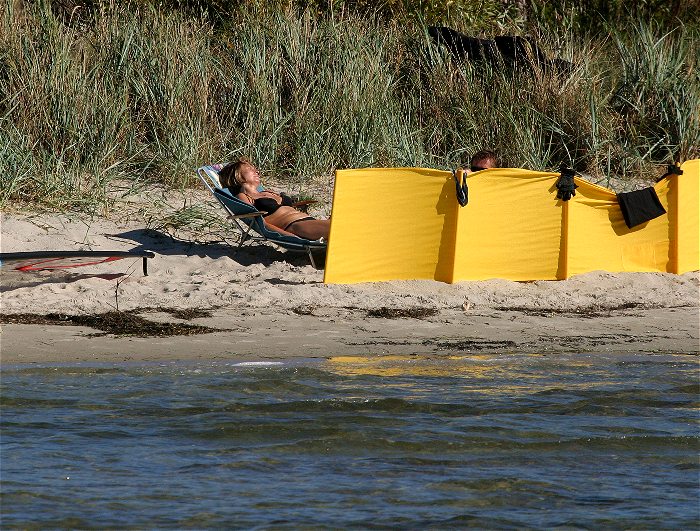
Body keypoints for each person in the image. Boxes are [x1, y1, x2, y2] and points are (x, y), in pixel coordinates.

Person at [218, 159, 330, 241]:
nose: (256, 171)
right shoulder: (243, 197)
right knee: (337, 229)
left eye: (255, 169)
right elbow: (261, 223)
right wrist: (290, 237)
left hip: (310, 221)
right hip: (295, 226)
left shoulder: (267, 192)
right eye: (250, 169)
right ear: (237, 175)